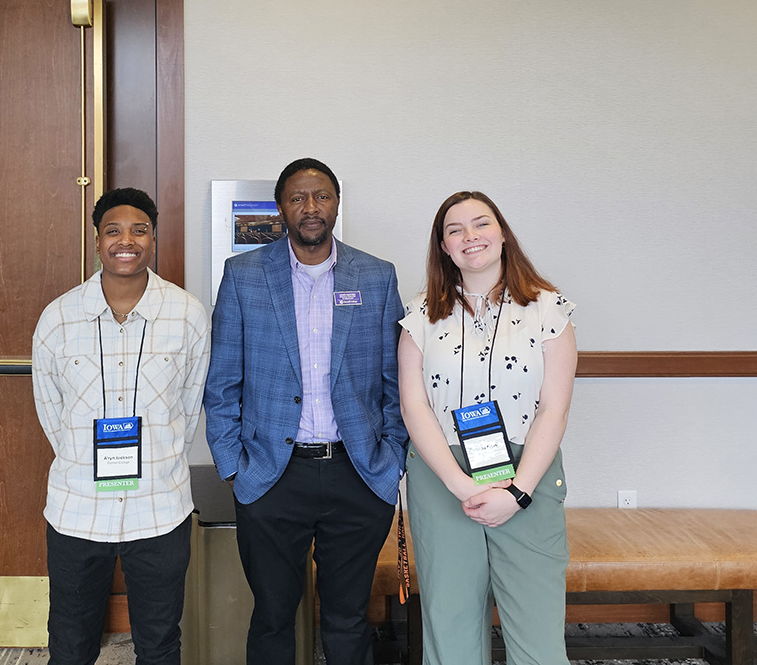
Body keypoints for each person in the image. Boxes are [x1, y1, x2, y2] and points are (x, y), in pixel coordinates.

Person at [204, 158, 407, 665]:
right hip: (273, 475)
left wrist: (393, 457)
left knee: (347, 616)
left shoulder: (377, 277)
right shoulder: (245, 275)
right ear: (280, 209)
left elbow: (397, 380)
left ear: (337, 203)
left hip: (357, 474)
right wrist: (233, 466)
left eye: (321, 196)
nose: (310, 208)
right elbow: (223, 381)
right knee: (273, 615)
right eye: (298, 198)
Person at [32, 188, 211, 665]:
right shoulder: (58, 318)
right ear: (97, 240)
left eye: (139, 230)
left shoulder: (188, 315)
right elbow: (51, 412)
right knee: (70, 643)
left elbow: (189, 407)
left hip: (158, 508)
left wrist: (157, 452)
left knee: (158, 641)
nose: (125, 241)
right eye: (113, 230)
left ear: (153, 238)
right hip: (76, 509)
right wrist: (81, 457)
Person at [397, 190, 577, 665]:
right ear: (443, 246)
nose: (469, 237)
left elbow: (553, 410)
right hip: (441, 476)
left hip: (528, 472)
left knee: (537, 632)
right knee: (449, 626)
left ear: (502, 233)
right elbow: (414, 407)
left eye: (481, 224)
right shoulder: (420, 314)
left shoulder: (547, 308)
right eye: (454, 230)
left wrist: (516, 492)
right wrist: (460, 486)